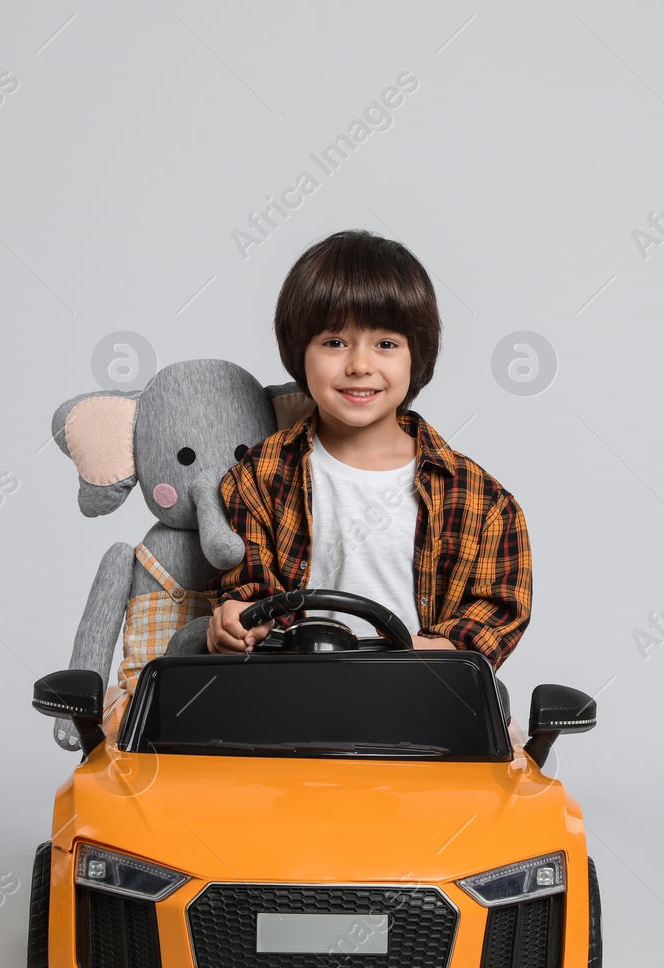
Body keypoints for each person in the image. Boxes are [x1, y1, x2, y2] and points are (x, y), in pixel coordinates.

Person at [205, 229, 531, 668]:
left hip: (419, 710)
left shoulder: (482, 502)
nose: (360, 365)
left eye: (386, 344)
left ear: (418, 356)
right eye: (335, 342)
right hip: (288, 706)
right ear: (300, 353)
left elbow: (489, 622)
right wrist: (235, 622)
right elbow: (249, 591)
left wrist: (419, 657)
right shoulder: (258, 478)